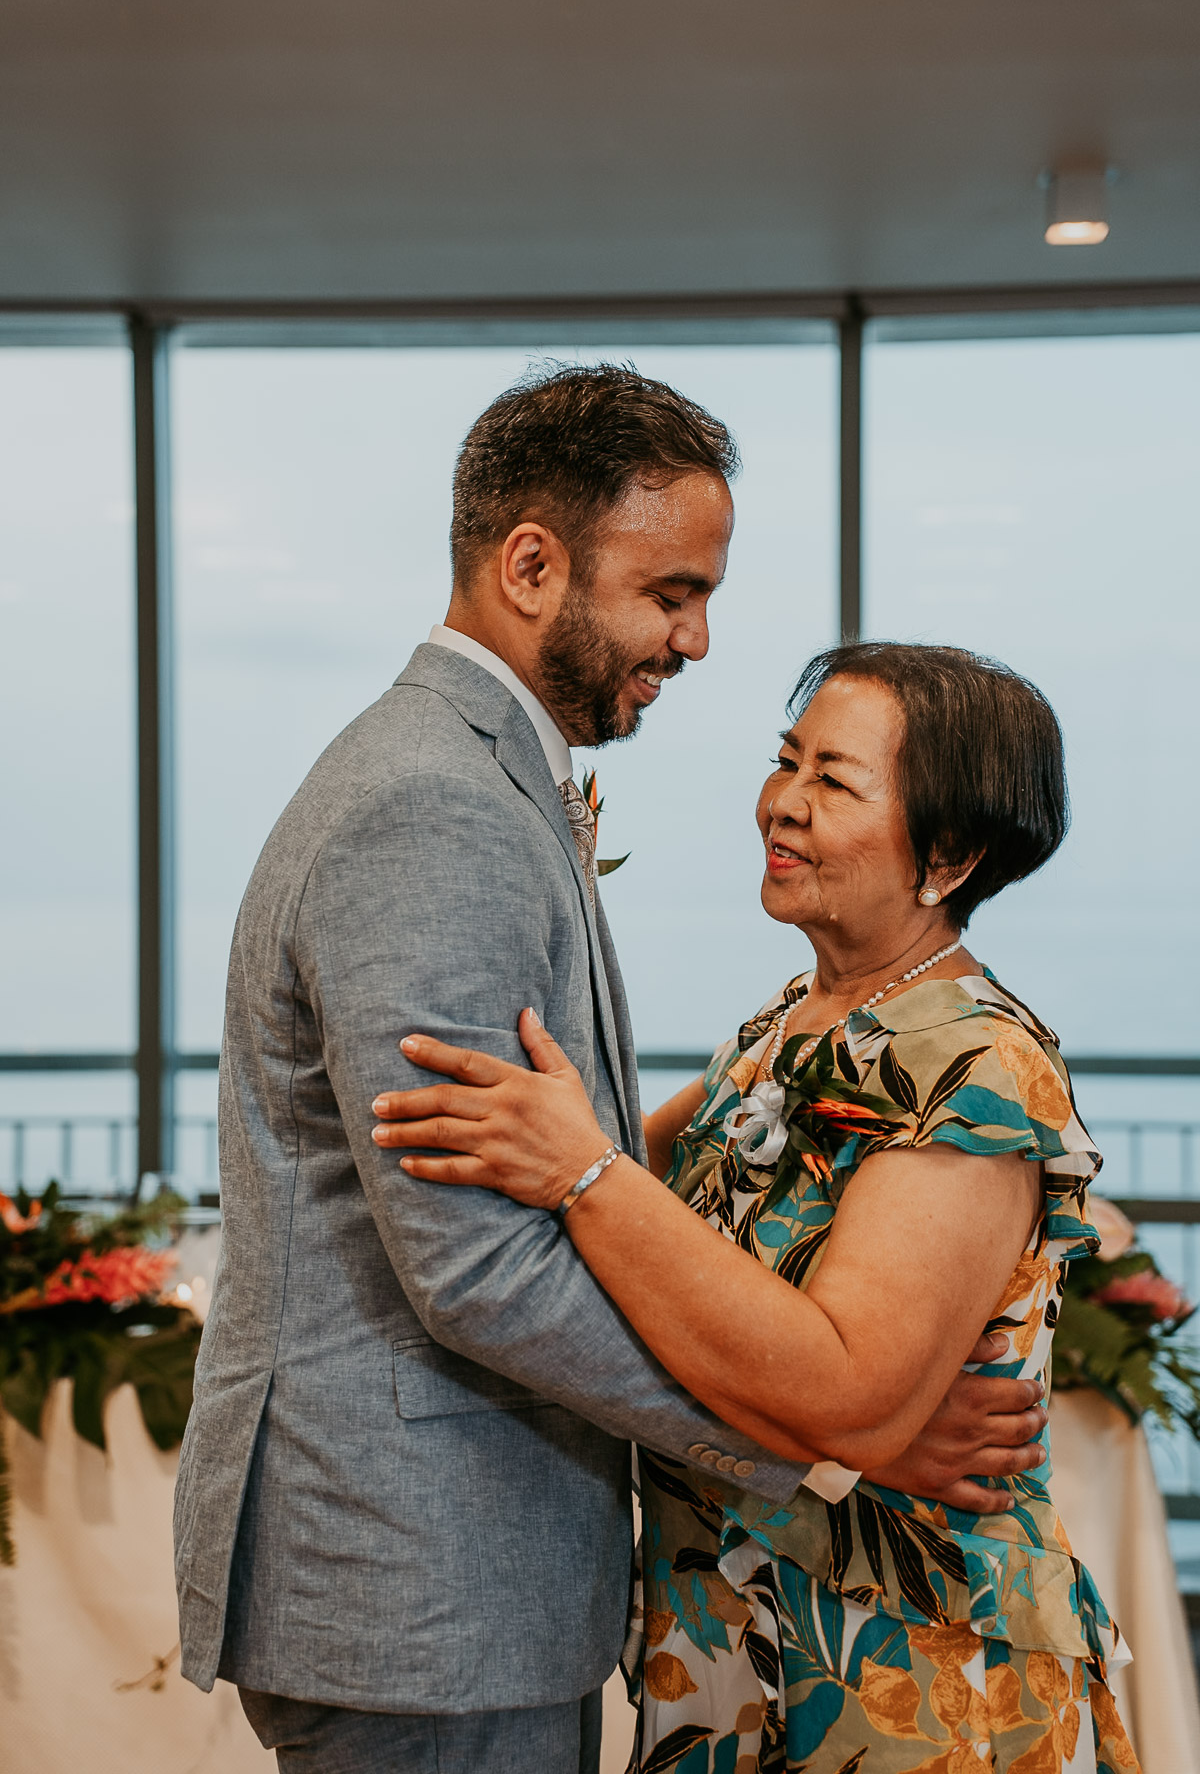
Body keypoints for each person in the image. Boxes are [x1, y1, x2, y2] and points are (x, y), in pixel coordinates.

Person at [175, 368, 1049, 1774]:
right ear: (533, 565)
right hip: (434, 1575)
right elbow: (476, 1265)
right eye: (672, 592)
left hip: (474, 1572)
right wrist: (828, 1441)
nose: (697, 637)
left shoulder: (470, 777)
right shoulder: (433, 805)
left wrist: (608, 1154)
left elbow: (536, 1169)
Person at [373, 641, 1140, 1773]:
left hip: (907, 1672)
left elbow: (840, 1382)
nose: (782, 803)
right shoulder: (788, 1023)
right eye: (788, 762)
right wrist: (856, 1435)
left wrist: (585, 1172)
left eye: (835, 782)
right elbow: (649, 1241)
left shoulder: (975, 1067)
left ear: (953, 854)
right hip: (729, 1648)